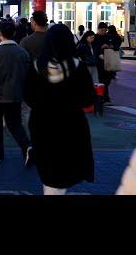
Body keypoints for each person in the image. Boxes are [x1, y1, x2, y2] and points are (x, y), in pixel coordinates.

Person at [24, 24, 95, 195]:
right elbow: (88, 99)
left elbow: (28, 97)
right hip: (71, 125)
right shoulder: (78, 67)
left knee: (48, 170)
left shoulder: (36, 67)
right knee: (65, 170)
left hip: (42, 124)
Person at [0, 21, 33, 166]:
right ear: (14, 34)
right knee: (15, 124)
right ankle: (27, 146)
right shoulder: (22, 53)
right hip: (15, 93)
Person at [93, 22, 121, 104]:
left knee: (107, 80)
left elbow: (116, 46)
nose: (104, 32)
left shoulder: (108, 37)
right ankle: (104, 98)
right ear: (99, 29)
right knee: (102, 80)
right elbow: (94, 49)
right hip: (99, 62)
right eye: (102, 30)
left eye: (105, 30)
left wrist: (110, 46)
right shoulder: (95, 37)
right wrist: (101, 47)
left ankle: (103, 98)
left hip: (109, 61)